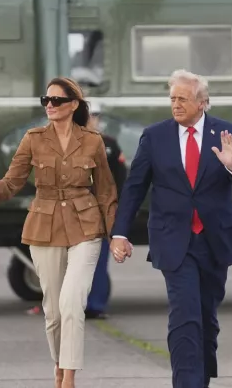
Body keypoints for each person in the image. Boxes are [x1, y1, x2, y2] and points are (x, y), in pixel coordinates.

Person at [110, 69, 232, 388]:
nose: (175, 104)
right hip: (173, 239)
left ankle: (199, 379)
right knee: (184, 316)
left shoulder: (226, 133)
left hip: (215, 240)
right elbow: (135, 187)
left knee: (206, 318)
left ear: (203, 103)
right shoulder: (155, 136)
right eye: (172, 98)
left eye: (183, 99)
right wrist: (119, 233)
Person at [0, 77, 118, 388]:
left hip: (86, 225)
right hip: (44, 226)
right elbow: (12, 182)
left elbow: (106, 191)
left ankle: (68, 379)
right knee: (53, 311)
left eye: (56, 101)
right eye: (46, 100)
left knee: (71, 302)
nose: (49, 106)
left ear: (74, 105)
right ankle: (59, 364)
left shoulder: (93, 141)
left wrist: (115, 234)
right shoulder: (33, 138)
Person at [85, 100, 127, 320]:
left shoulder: (109, 145)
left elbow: (121, 179)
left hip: (100, 213)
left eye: (94, 115)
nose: (92, 119)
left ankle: (95, 305)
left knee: (98, 261)